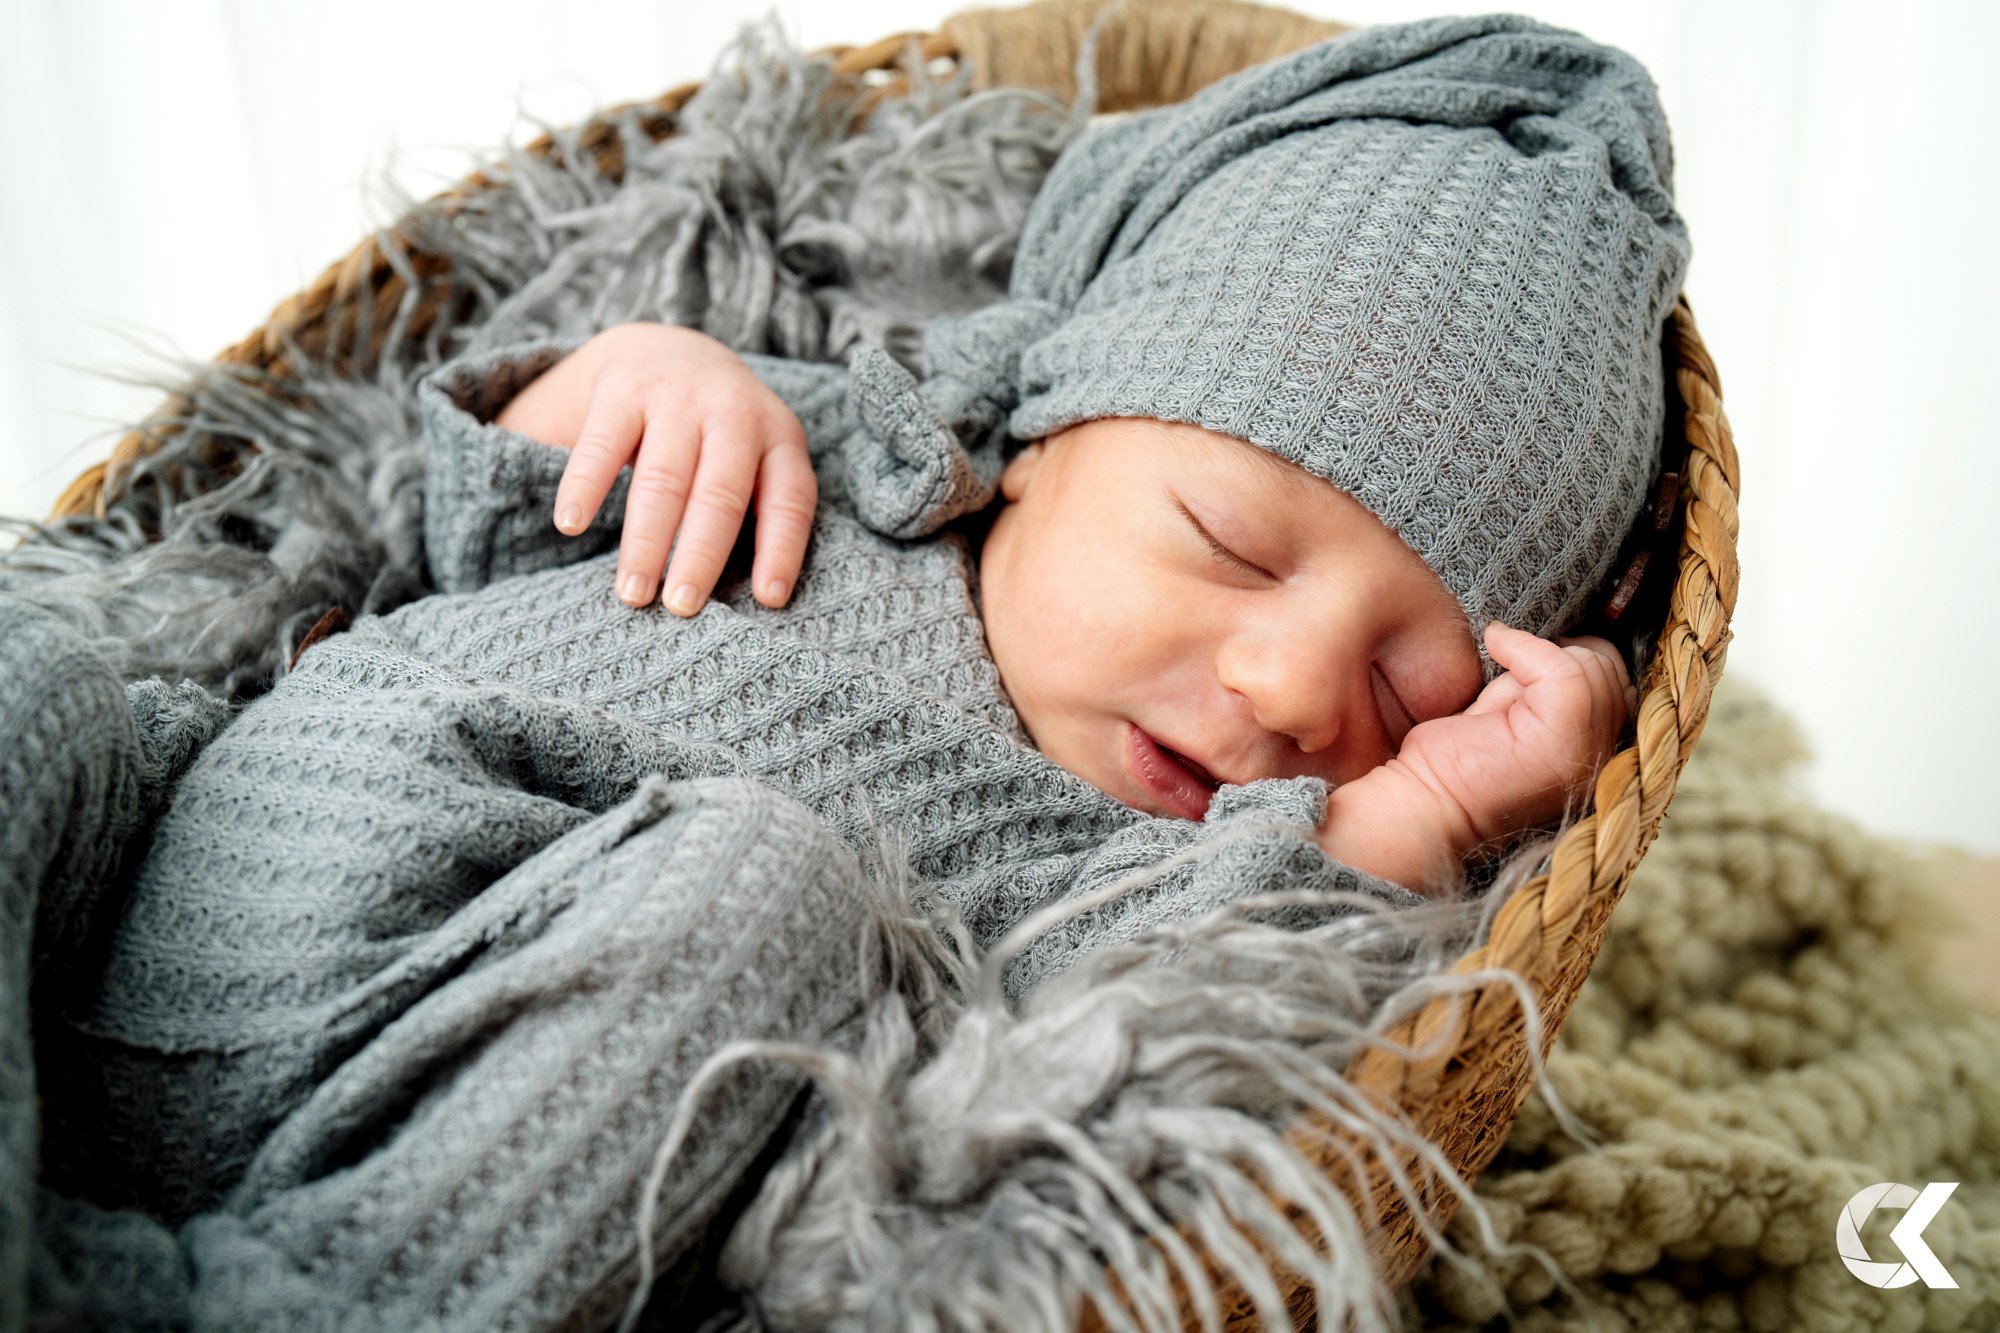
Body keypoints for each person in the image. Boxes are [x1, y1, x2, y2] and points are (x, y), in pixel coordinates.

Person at [1, 12, 1688, 1330]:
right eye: (1227, 543)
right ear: (1043, 430)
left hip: (429, 1141)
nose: (1296, 692)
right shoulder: (849, 459)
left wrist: (1426, 808)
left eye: (1405, 689)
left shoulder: (1130, 864)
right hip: (172, 903)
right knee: (39, 675)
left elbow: (1186, 1041)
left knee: (762, 882)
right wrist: (621, 383)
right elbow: (479, 523)